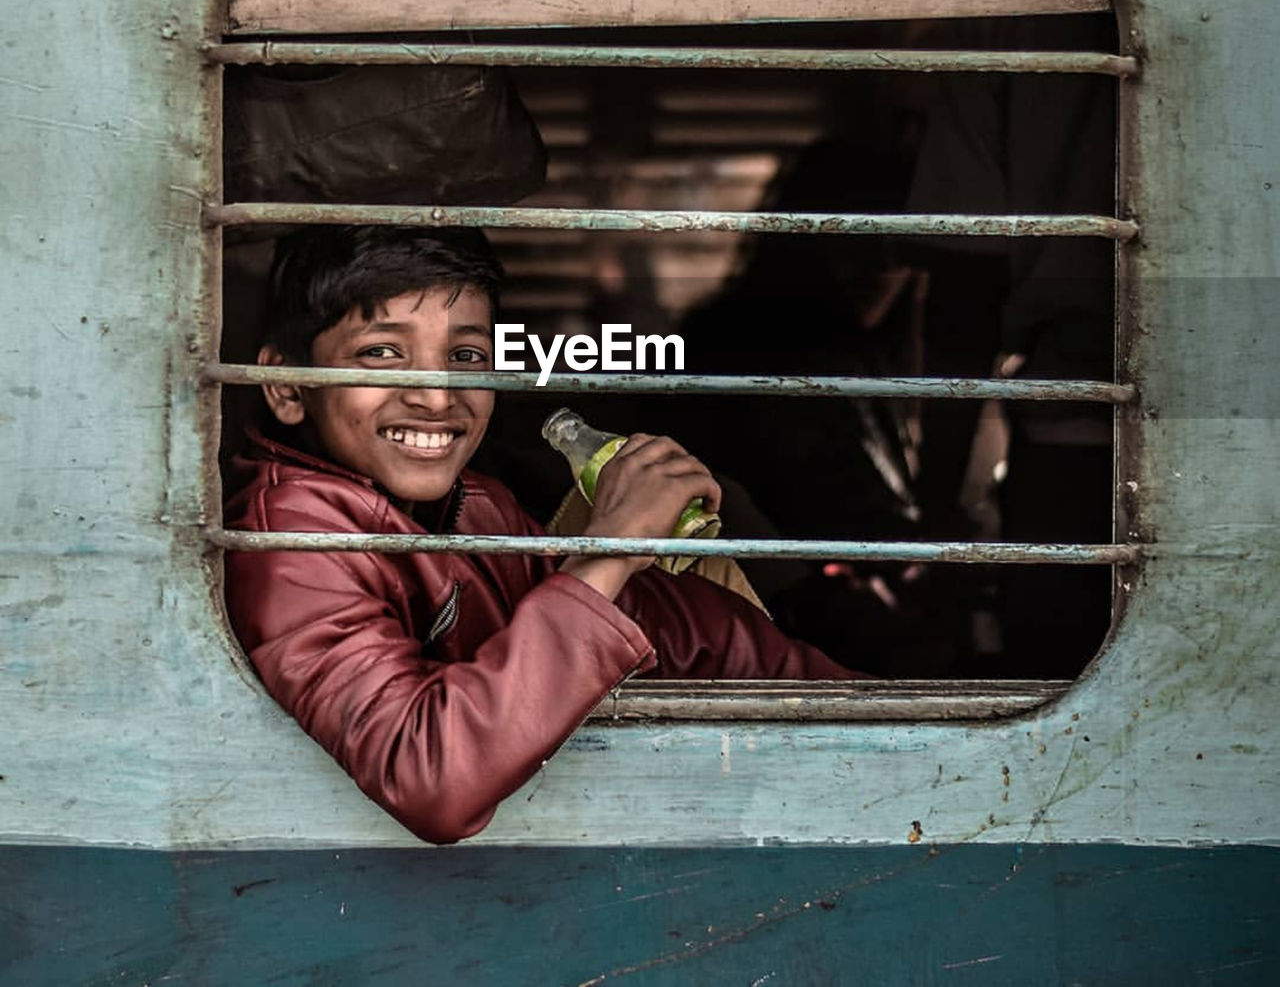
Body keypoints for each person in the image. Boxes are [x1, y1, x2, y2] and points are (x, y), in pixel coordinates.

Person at [223, 225, 862, 844]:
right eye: (381, 353)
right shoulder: (289, 541)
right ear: (286, 385)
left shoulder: (479, 509)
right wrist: (609, 549)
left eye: (465, 356)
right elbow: (430, 777)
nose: (437, 395)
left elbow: (680, 631)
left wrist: (861, 711)